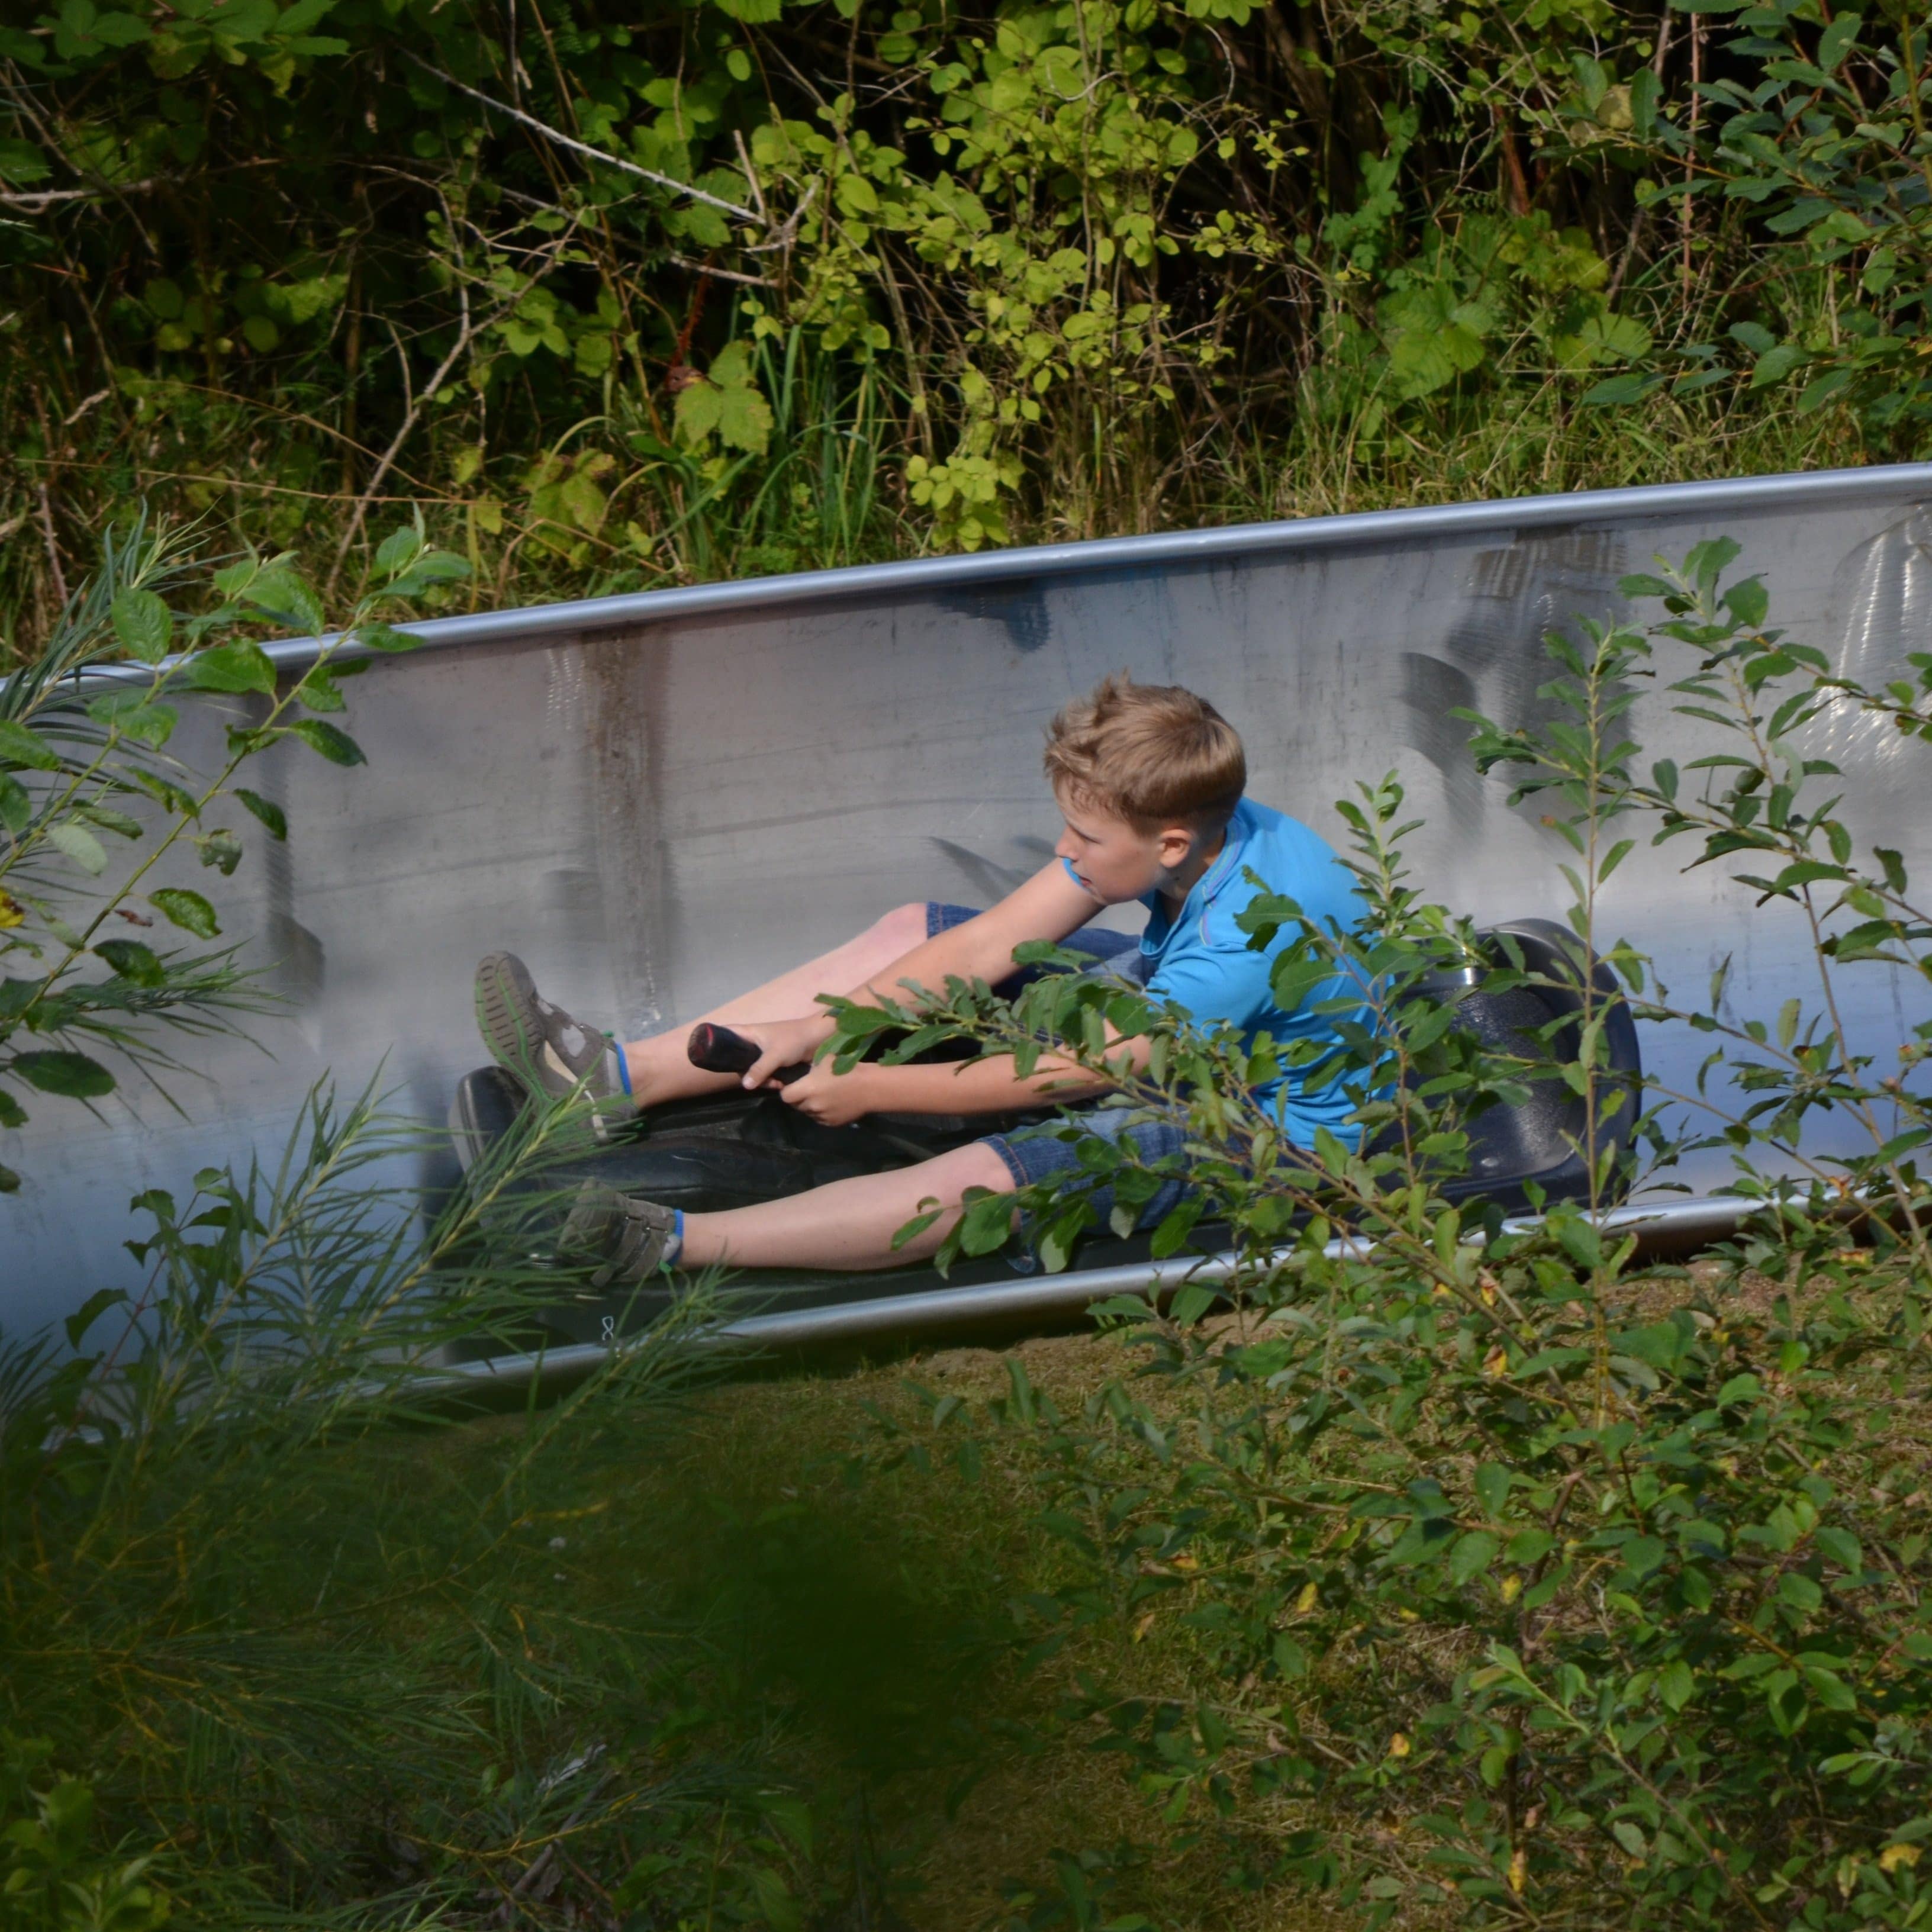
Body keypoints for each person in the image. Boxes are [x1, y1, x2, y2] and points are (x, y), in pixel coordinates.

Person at [471, 675, 1367, 1281]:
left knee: (994, 1176)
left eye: (1085, 840)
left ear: (1169, 842)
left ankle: (664, 1246)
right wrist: (819, 1029)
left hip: (1273, 1130)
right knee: (916, 930)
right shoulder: (1186, 817)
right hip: (1190, 1024)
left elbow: (1075, 1072)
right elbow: (987, 947)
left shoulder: (1244, 942)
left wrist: (876, 1083)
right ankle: (612, 1082)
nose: (1066, 852)